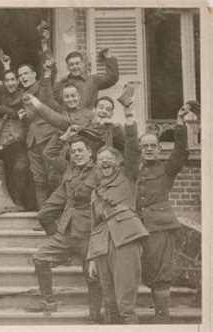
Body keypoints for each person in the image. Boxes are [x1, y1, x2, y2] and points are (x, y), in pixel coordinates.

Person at [26, 125, 103, 323]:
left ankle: (94, 316)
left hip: (89, 234)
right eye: (74, 151)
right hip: (66, 232)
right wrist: (64, 137)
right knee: (40, 258)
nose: (77, 154)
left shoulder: (99, 173)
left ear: (89, 152)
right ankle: (48, 300)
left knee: (93, 277)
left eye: (80, 151)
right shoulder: (69, 168)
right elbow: (49, 154)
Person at [87, 101, 149, 324]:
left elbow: (133, 146)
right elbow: (94, 226)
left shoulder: (128, 175)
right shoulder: (95, 192)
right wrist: (92, 257)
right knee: (109, 300)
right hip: (103, 244)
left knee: (125, 301)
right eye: (100, 160)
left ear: (119, 162)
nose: (104, 162)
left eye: (109, 160)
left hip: (126, 237)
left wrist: (128, 116)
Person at [136, 105, 190, 323]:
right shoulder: (134, 172)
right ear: (140, 150)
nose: (149, 150)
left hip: (160, 227)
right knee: (143, 273)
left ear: (159, 149)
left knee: (160, 275)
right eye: (145, 146)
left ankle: (162, 319)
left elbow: (180, 152)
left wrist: (180, 123)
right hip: (137, 228)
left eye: (152, 146)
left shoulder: (167, 168)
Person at [17, 60, 60, 208]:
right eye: (20, 75)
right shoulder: (25, 94)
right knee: (39, 180)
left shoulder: (41, 86)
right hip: (33, 141)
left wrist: (47, 72)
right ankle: (44, 218)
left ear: (34, 75)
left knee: (53, 178)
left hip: (48, 137)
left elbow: (47, 89)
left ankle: (56, 216)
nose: (23, 77)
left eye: (26, 73)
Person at [0, 68, 31, 210]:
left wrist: (4, 109)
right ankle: (7, 201)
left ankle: (18, 200)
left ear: (17, 81)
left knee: (20, 168)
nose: (10, 83)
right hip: (4, 142)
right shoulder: (1, 96)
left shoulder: (24, 96)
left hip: (20, 140)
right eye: (7, 80)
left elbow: (22, 115)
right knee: (5, 169)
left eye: (12, 80)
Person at [52, 49, 119, 110]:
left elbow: (112, 78)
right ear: (67, 67)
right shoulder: (62, 83)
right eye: (71, 65)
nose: (75, 67)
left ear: (83, 64)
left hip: (88, 120)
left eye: (77, 63)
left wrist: (108, 57)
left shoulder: (93, 80)